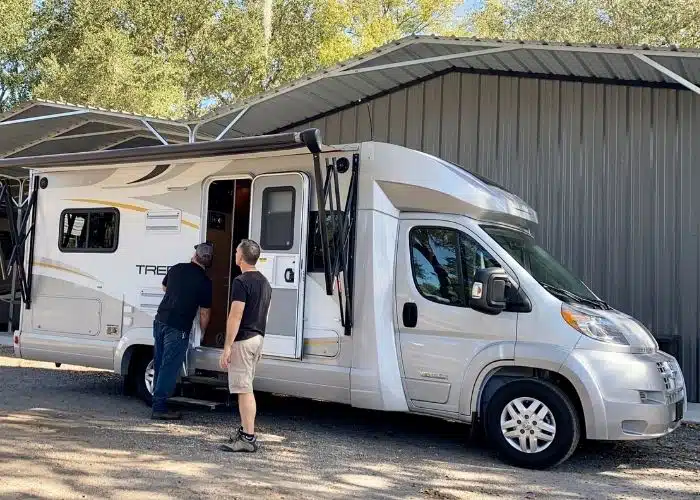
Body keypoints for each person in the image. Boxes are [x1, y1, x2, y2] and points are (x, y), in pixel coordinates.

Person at [219, 239, 271, 452]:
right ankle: (244, 431)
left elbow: (235, 315)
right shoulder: (265, 283)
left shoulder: (241, 282)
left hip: (244, 339)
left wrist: (227, 346)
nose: (234, 255)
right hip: (257, 338)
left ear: (241, 257)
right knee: (245, 386)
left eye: (236, 252)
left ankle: (248, 438)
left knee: (244, 389)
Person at [152, 242, 213, 420]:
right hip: (178, 327)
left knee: (159, 362)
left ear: (194, 255)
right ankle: (159, 407)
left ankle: (157, 401)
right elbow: (204, 312)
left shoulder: (177, 268)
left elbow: (164, 287)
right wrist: (202, 333)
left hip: (160, 320)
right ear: (208, 261)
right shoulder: (205, 282)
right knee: (169, 367)